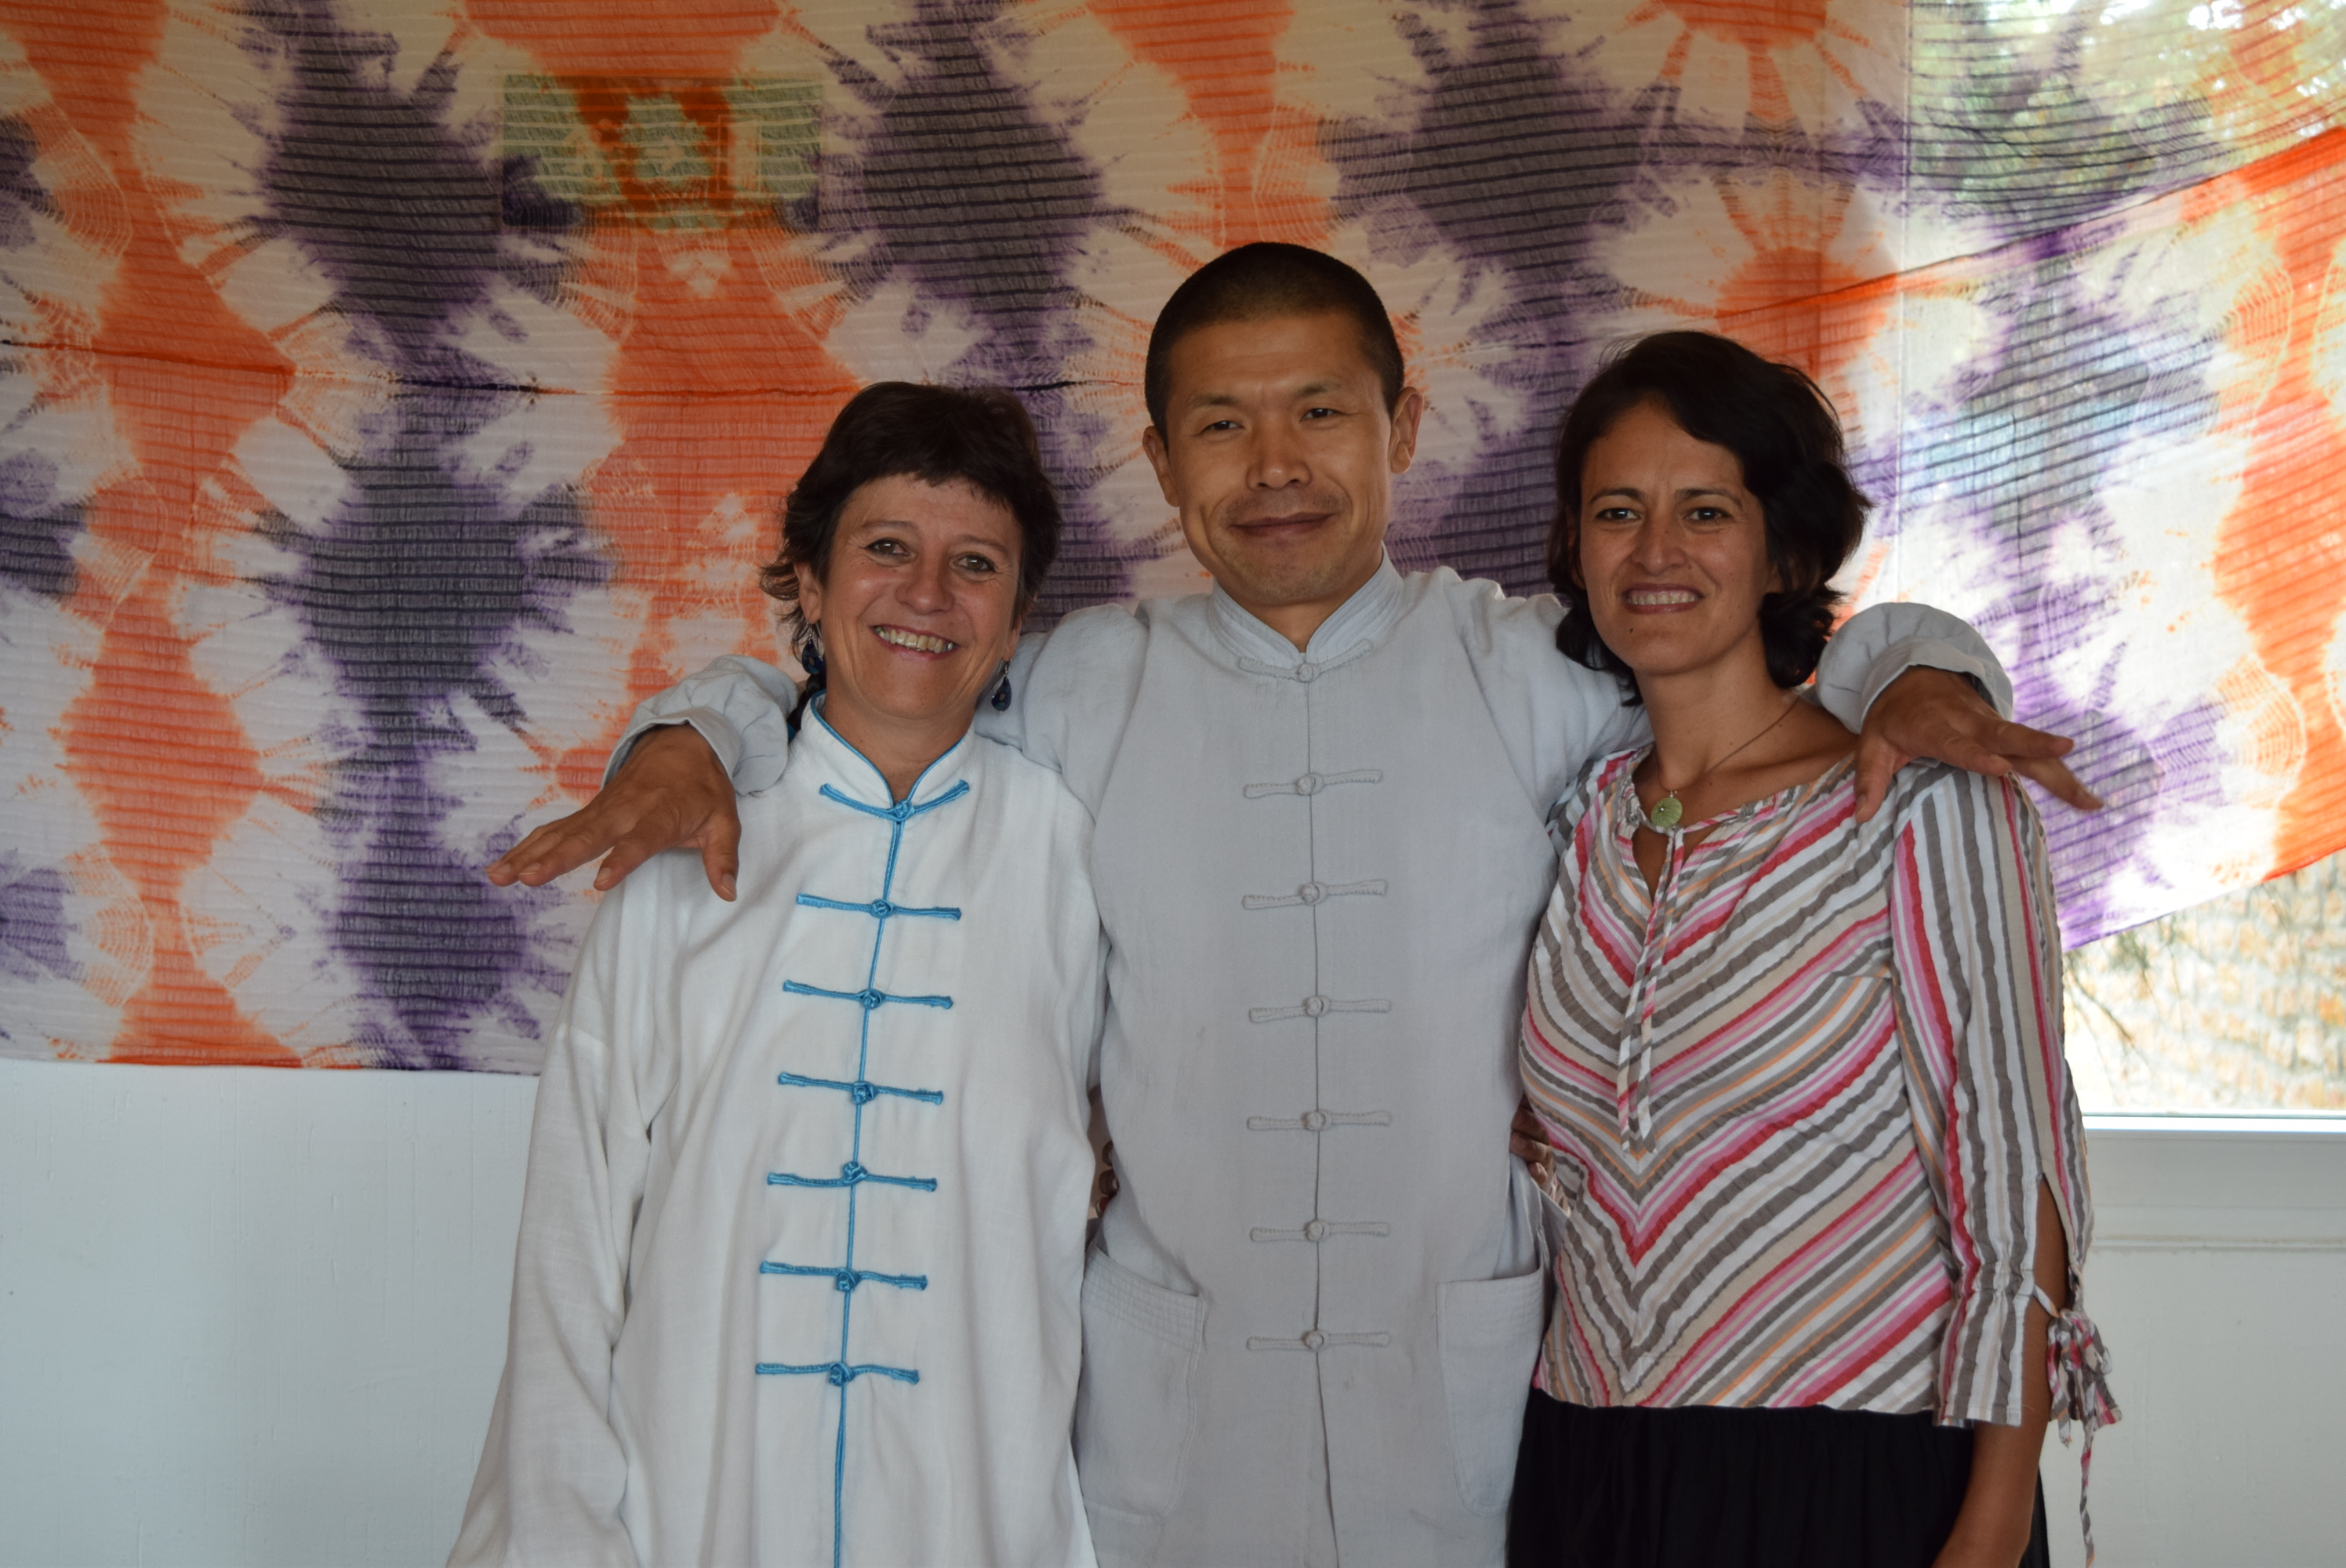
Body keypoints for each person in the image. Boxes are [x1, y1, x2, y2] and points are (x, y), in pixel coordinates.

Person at [488, 245, 2097, 1567]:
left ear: (1401, 425)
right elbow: (860, 688)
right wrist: (688, 729)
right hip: (1171, 1429)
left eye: (1321, 411)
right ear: (1158, 460)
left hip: (1476, 1423)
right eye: (1221, 424)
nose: (1274, 467)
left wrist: (1925, 668)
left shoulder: (1535, 671)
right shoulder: (1076, 686)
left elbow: (1756, 657)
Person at [450, 383, 1106, 1568]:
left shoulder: (1080, 859)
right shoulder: (683, 846)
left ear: (1017, 623)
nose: (926, 594)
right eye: (885, 548)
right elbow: (573, 1226)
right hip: (690, 1500)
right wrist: (559, 1528)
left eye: (975, 565)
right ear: (808, 580)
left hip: (977, 1509)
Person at [1509, 332, 2118, 1568]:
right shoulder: (1575, 819)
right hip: (1587, 1466)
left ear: (1784, 555)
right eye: (1617, 511)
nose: (1655, 550)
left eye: (1706, 511)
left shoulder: (1920, 799)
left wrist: (1994, 1522)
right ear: (1575, 548)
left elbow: (2016, 1176)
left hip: (1859, 1470)